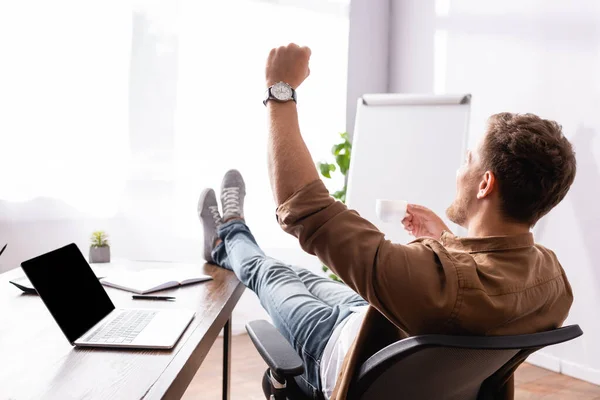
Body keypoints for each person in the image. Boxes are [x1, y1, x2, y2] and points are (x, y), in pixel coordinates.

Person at [197, 44, 576, 400]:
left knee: (271, 273)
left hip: (339, 356)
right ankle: (226, 240)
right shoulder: (554, 282)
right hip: (382, 330)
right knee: (299, 274)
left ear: (485, 184)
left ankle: (228, 232)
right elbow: (483, 289)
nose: (459, 170)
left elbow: (306, 209)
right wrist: (444, 239)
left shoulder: (433, 282)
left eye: (468, 160)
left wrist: (279, 90)